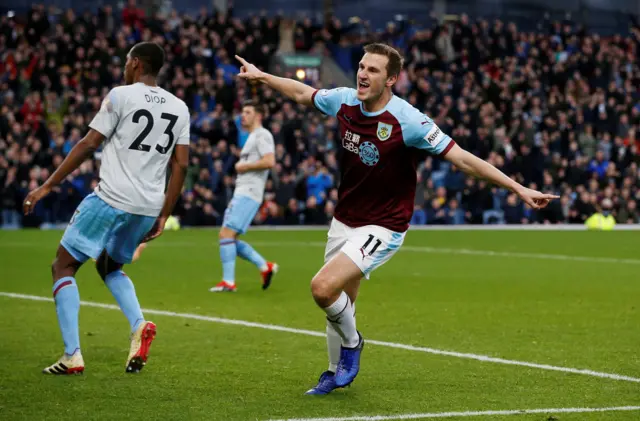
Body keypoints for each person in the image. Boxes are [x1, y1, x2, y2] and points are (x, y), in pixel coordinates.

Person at [235, 43, 558, 394]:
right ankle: (332, 372)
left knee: (323, 288)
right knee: (342, 302)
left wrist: (516, 187)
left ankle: (353, 345)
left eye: (373, 70)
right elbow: (303, 93)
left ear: (391, 79)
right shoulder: (344, 100)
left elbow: (462, 158)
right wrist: (263, 76)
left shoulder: (410, 121)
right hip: (345, 218)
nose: (362, 73)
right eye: (361, 66)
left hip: (384, 224)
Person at [23, 42, 191, 375]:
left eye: (127, 61)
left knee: (63, 266)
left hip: (112, 197)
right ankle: (139, 324)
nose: (124, 66)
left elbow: (88, 144)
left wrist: (47, 185)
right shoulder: (180, 107)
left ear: (137, 64)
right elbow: (181, 164)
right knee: (109, 265)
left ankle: (72, 355)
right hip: (147, 205)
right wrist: (164, 213)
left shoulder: (120, 95)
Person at [210, 101, 279, 292]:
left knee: (226, 234)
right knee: (228, 237)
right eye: (242, 112)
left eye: (248, 112)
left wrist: (244, 166)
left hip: (249, 193)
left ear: (258, 116)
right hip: (243, 192)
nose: (243, 115)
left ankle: (229, 282)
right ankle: (265, 267)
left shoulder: (262, 135)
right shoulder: (251, 137)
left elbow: (269, 161)